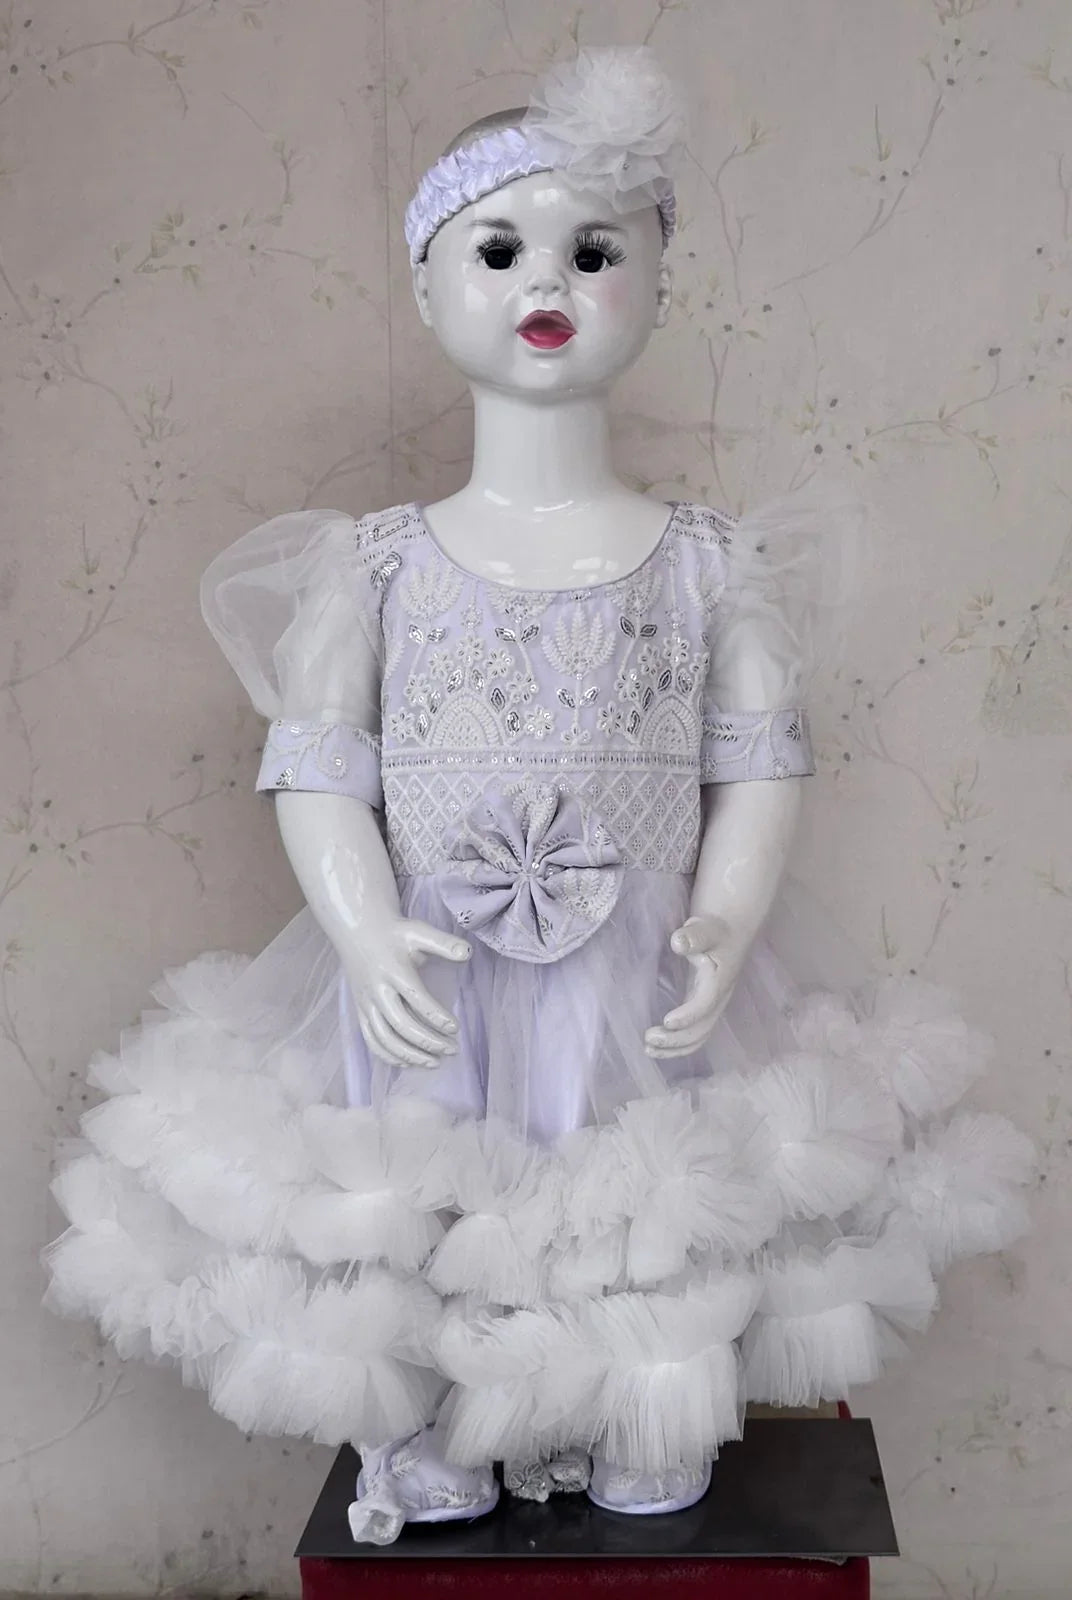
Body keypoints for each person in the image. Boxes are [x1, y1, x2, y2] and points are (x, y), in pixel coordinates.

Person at [44, 45, 1035, 1546]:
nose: (546, 281)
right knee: (437, 1189)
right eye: (498, 250)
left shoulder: (714, 563)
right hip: (434, 968)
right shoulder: (371, 564)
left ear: (656, 282)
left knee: (632, 1189)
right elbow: (318, 767)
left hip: (641, 967)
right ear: (430, 285)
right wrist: (363, 931)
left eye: (595, 249)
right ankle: (444, 1421)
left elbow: (757, 768)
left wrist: (722, 926)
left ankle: (628, 1402)